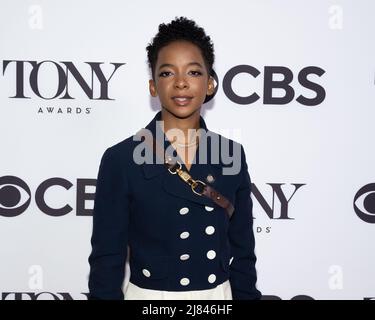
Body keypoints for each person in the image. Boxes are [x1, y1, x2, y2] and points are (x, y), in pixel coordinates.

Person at [88, 16, 261, 300]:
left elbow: (243, 253)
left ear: (210, 84)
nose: (181, 83)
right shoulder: (121, 159)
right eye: (167, 73)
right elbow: (107, 260)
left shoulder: (232, 154)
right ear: (153, 86)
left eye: (193, 72)